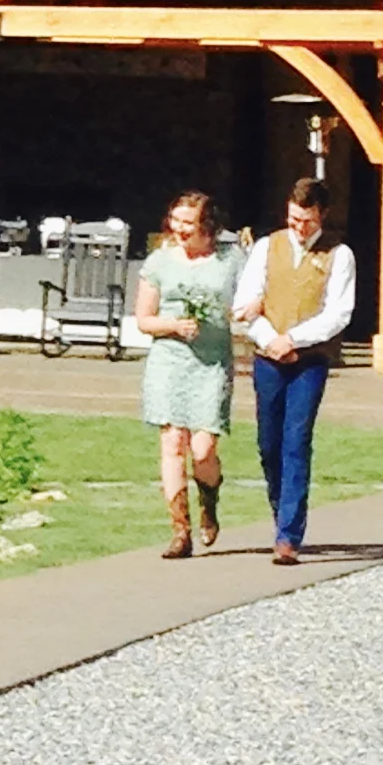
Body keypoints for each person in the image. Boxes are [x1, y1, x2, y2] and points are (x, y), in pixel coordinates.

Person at [232, 177, 356, 565]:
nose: (299, 227)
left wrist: (294, 340)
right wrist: (271, 339)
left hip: (309, 361)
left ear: (322, 215)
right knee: (269, 444)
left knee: (296, 441)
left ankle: (289, 535)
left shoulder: (339, 255)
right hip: (268, 358)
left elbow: (338, 314)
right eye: (293, 219)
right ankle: (280, 511)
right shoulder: (267, 247)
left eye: (307, 220)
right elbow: (246, 301)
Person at [134, 190, 245, 559]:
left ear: (207, 225)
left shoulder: (230, 261)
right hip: (169, 361)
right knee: (172, 442)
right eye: (176, 221)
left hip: (211, 363)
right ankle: (180, 531)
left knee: (203, 448)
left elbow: (250, 298)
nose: (180, 229)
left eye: (189, 223)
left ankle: (208, 502)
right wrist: (173, 326)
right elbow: (144, 319)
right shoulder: (159, 262)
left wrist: (245, 314)